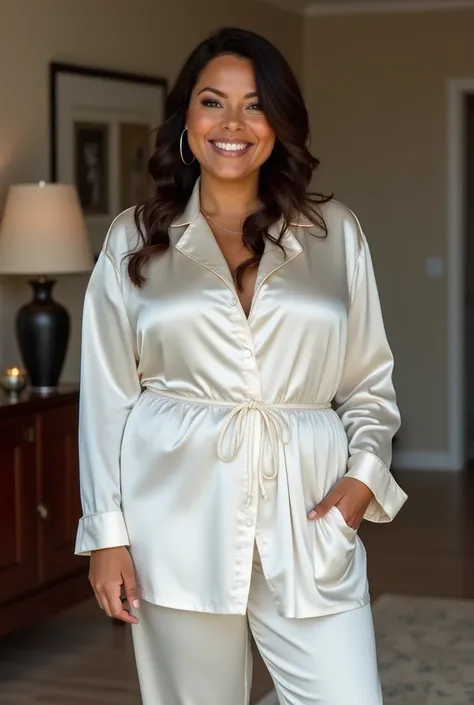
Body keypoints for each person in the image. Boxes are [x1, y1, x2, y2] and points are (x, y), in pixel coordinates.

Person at [75, 26, 407, 705]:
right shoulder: (134, 239)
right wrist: (106, 537)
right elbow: (107, 398)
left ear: (278, 123)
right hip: (176, 520)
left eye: (254, 104)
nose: (232, 123)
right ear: (184, 120)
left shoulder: (333, 231)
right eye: (212, 102)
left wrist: (362, 482)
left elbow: (371, 383)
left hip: (310, 519)